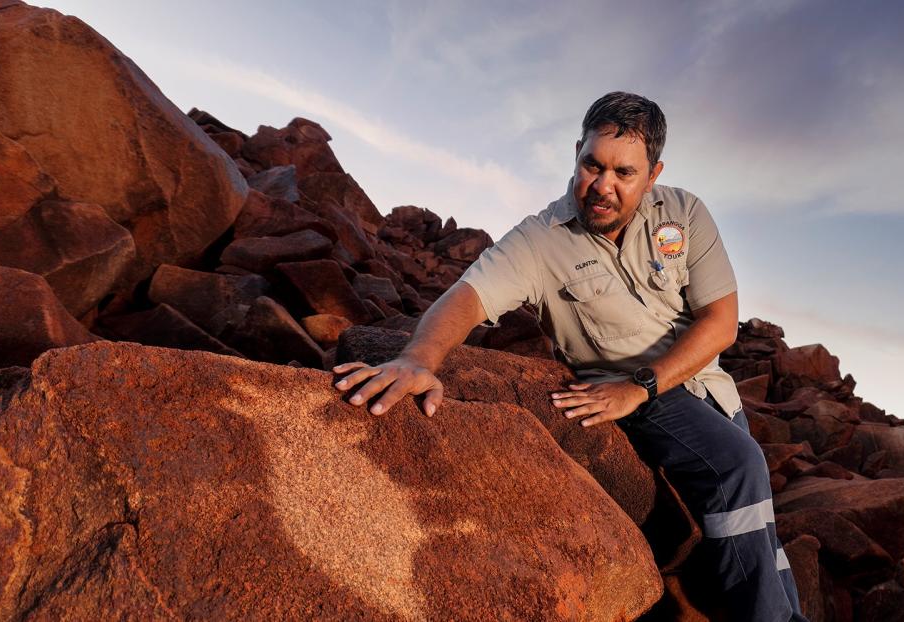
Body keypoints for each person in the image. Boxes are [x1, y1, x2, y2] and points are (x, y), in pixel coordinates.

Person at [332, 91, 807, 621]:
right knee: (739, 467)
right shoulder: (539, 240)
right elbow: (467, 296)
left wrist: (649, 382)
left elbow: (719, 323)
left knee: (758, 520)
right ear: (577, 151)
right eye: (592, 165)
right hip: (630, 391)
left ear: (653, 174)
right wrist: (419, 357)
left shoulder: (685, 212)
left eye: (624, 173)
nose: (603, 186)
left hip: (706, 386)